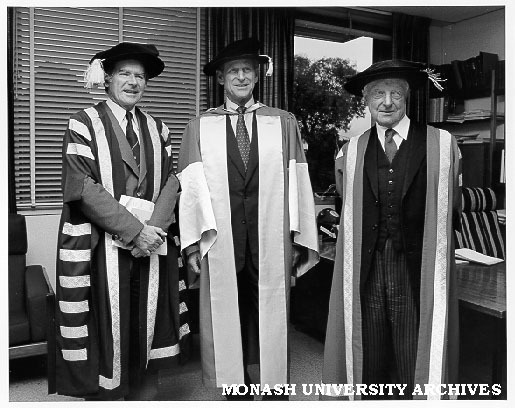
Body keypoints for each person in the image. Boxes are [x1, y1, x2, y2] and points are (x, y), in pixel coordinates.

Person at [177, 38, 319, 400]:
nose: (241, 77)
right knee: (227, 314)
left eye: (248, 71)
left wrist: (296, 237)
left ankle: (274, 385)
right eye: (233, 71)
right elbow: (191, 190)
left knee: (270, 313)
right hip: (222, 239)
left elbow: (298, 181)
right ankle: (235, 384)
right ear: (221, 79)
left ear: (258, 77)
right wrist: (193, 243)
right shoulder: (199, 126)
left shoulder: (283, 123)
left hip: (269, 239)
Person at [55, 42, 190, 400]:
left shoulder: (158, 128)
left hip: (149, 246)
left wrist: (154, 232)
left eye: (140, 76)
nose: (133, 82)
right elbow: (82, 186)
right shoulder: (83, 123)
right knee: (107, 327)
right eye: (125, 74)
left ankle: (143, 397)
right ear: (108, 78)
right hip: (101, 247)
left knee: (145, 324)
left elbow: (170, 184)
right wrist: (135, 231)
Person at [322, 60, 462, 400]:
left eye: (395, 93)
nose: (387, 102)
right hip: (366, 264)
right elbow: (347, 205)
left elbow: (452, 207)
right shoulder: (350, 151)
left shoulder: (442, 145)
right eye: (378, 94)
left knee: (411, 347)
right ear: (366, 102)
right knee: (369, 347)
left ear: (407, 98)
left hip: (414, 264)